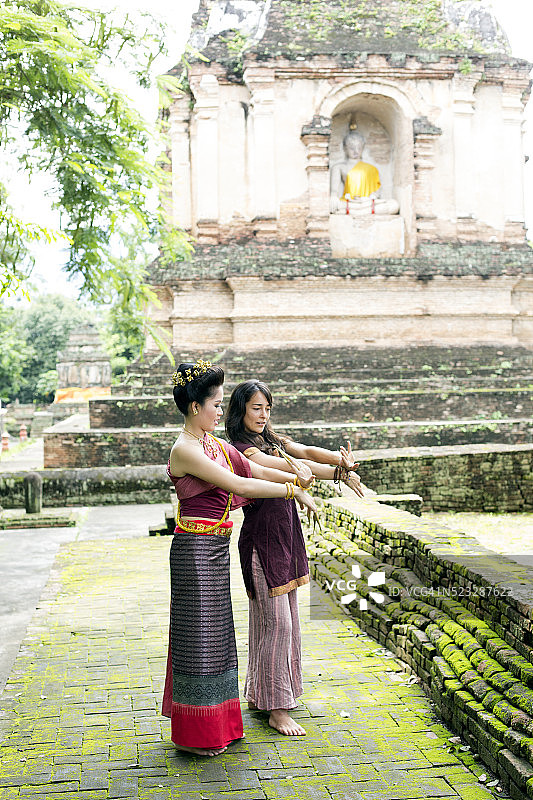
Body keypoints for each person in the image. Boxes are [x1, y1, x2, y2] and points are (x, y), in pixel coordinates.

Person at [162, 360, 317, 758]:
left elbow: (255, 466)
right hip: (193, 553)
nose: (220, 410)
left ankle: (219, 726)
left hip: (215, 549)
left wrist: (298, 478)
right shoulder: (187, 449)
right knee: (199, 639)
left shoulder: (214, 443)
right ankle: (195, 735)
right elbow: (238, 482)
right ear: (195, 407)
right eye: (214, 403)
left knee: (217, 638)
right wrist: (291, 490)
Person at [225, 379, 364, 737]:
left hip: (286, 537)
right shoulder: (241, 448)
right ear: (240, 409)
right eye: (256, 408)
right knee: (277, 624)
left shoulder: (270, 440)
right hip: (262, 542)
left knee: (283, 621)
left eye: (267, 408)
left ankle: (265, 695)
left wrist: (340, 463)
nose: (262, 414)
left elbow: (303, 451)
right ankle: (277, 710)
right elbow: (289, 467)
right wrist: (336, 475)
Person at [330, 130, 400, 215]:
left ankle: (358, 212)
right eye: (352, 148)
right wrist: (333, 197)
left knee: (394, 205)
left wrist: (370, 198)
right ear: (345, 148)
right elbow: (334, 191)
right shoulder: (339, 167)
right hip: (349, 202)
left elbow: (376, 192)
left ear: (363, 148)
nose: (356, 151)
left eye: (359, 148)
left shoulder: (371, 168)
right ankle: (362, 212)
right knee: (329, 206)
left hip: (367, 203)